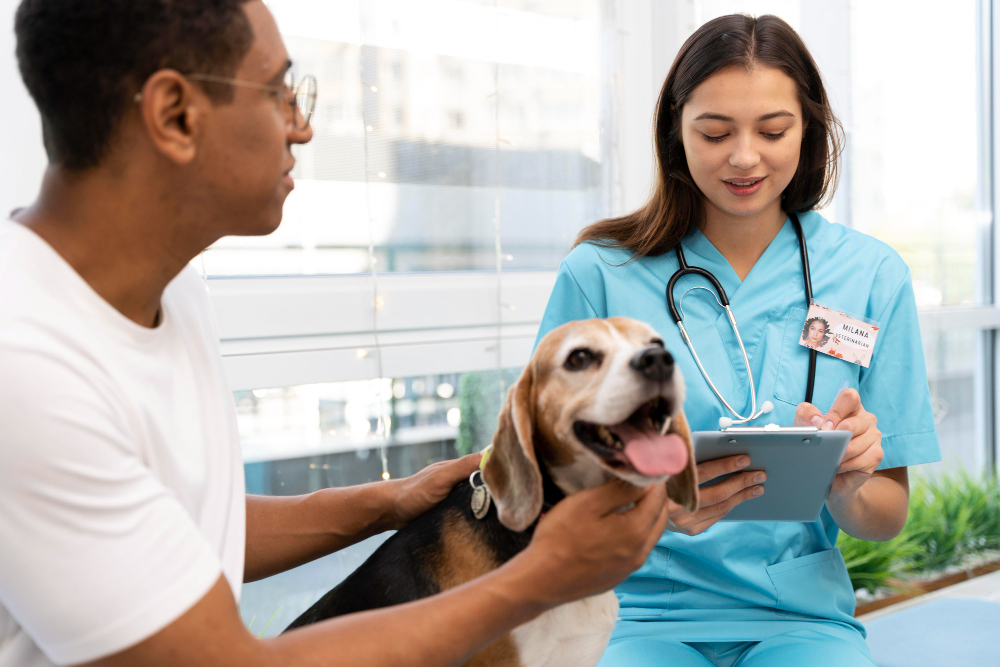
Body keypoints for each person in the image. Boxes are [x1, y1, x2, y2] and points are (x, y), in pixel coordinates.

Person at [0, 2, 671, 666]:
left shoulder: (171, 285)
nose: (302, 125)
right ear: (175, 114)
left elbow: (186, 530)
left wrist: (384, 502)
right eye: (277, 92)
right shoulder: (25, 368)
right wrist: (540, 576)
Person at [535, 13, 940, 667]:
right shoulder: (599, 273)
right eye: (715, 132)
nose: (745, 156)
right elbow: (545, 481)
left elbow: (886, 513)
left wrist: (849, 486)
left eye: (773, 130)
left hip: (803, 619)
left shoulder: (870, 275)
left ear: (808, 129)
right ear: (675, 132)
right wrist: (652, 504)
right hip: (634, 613)